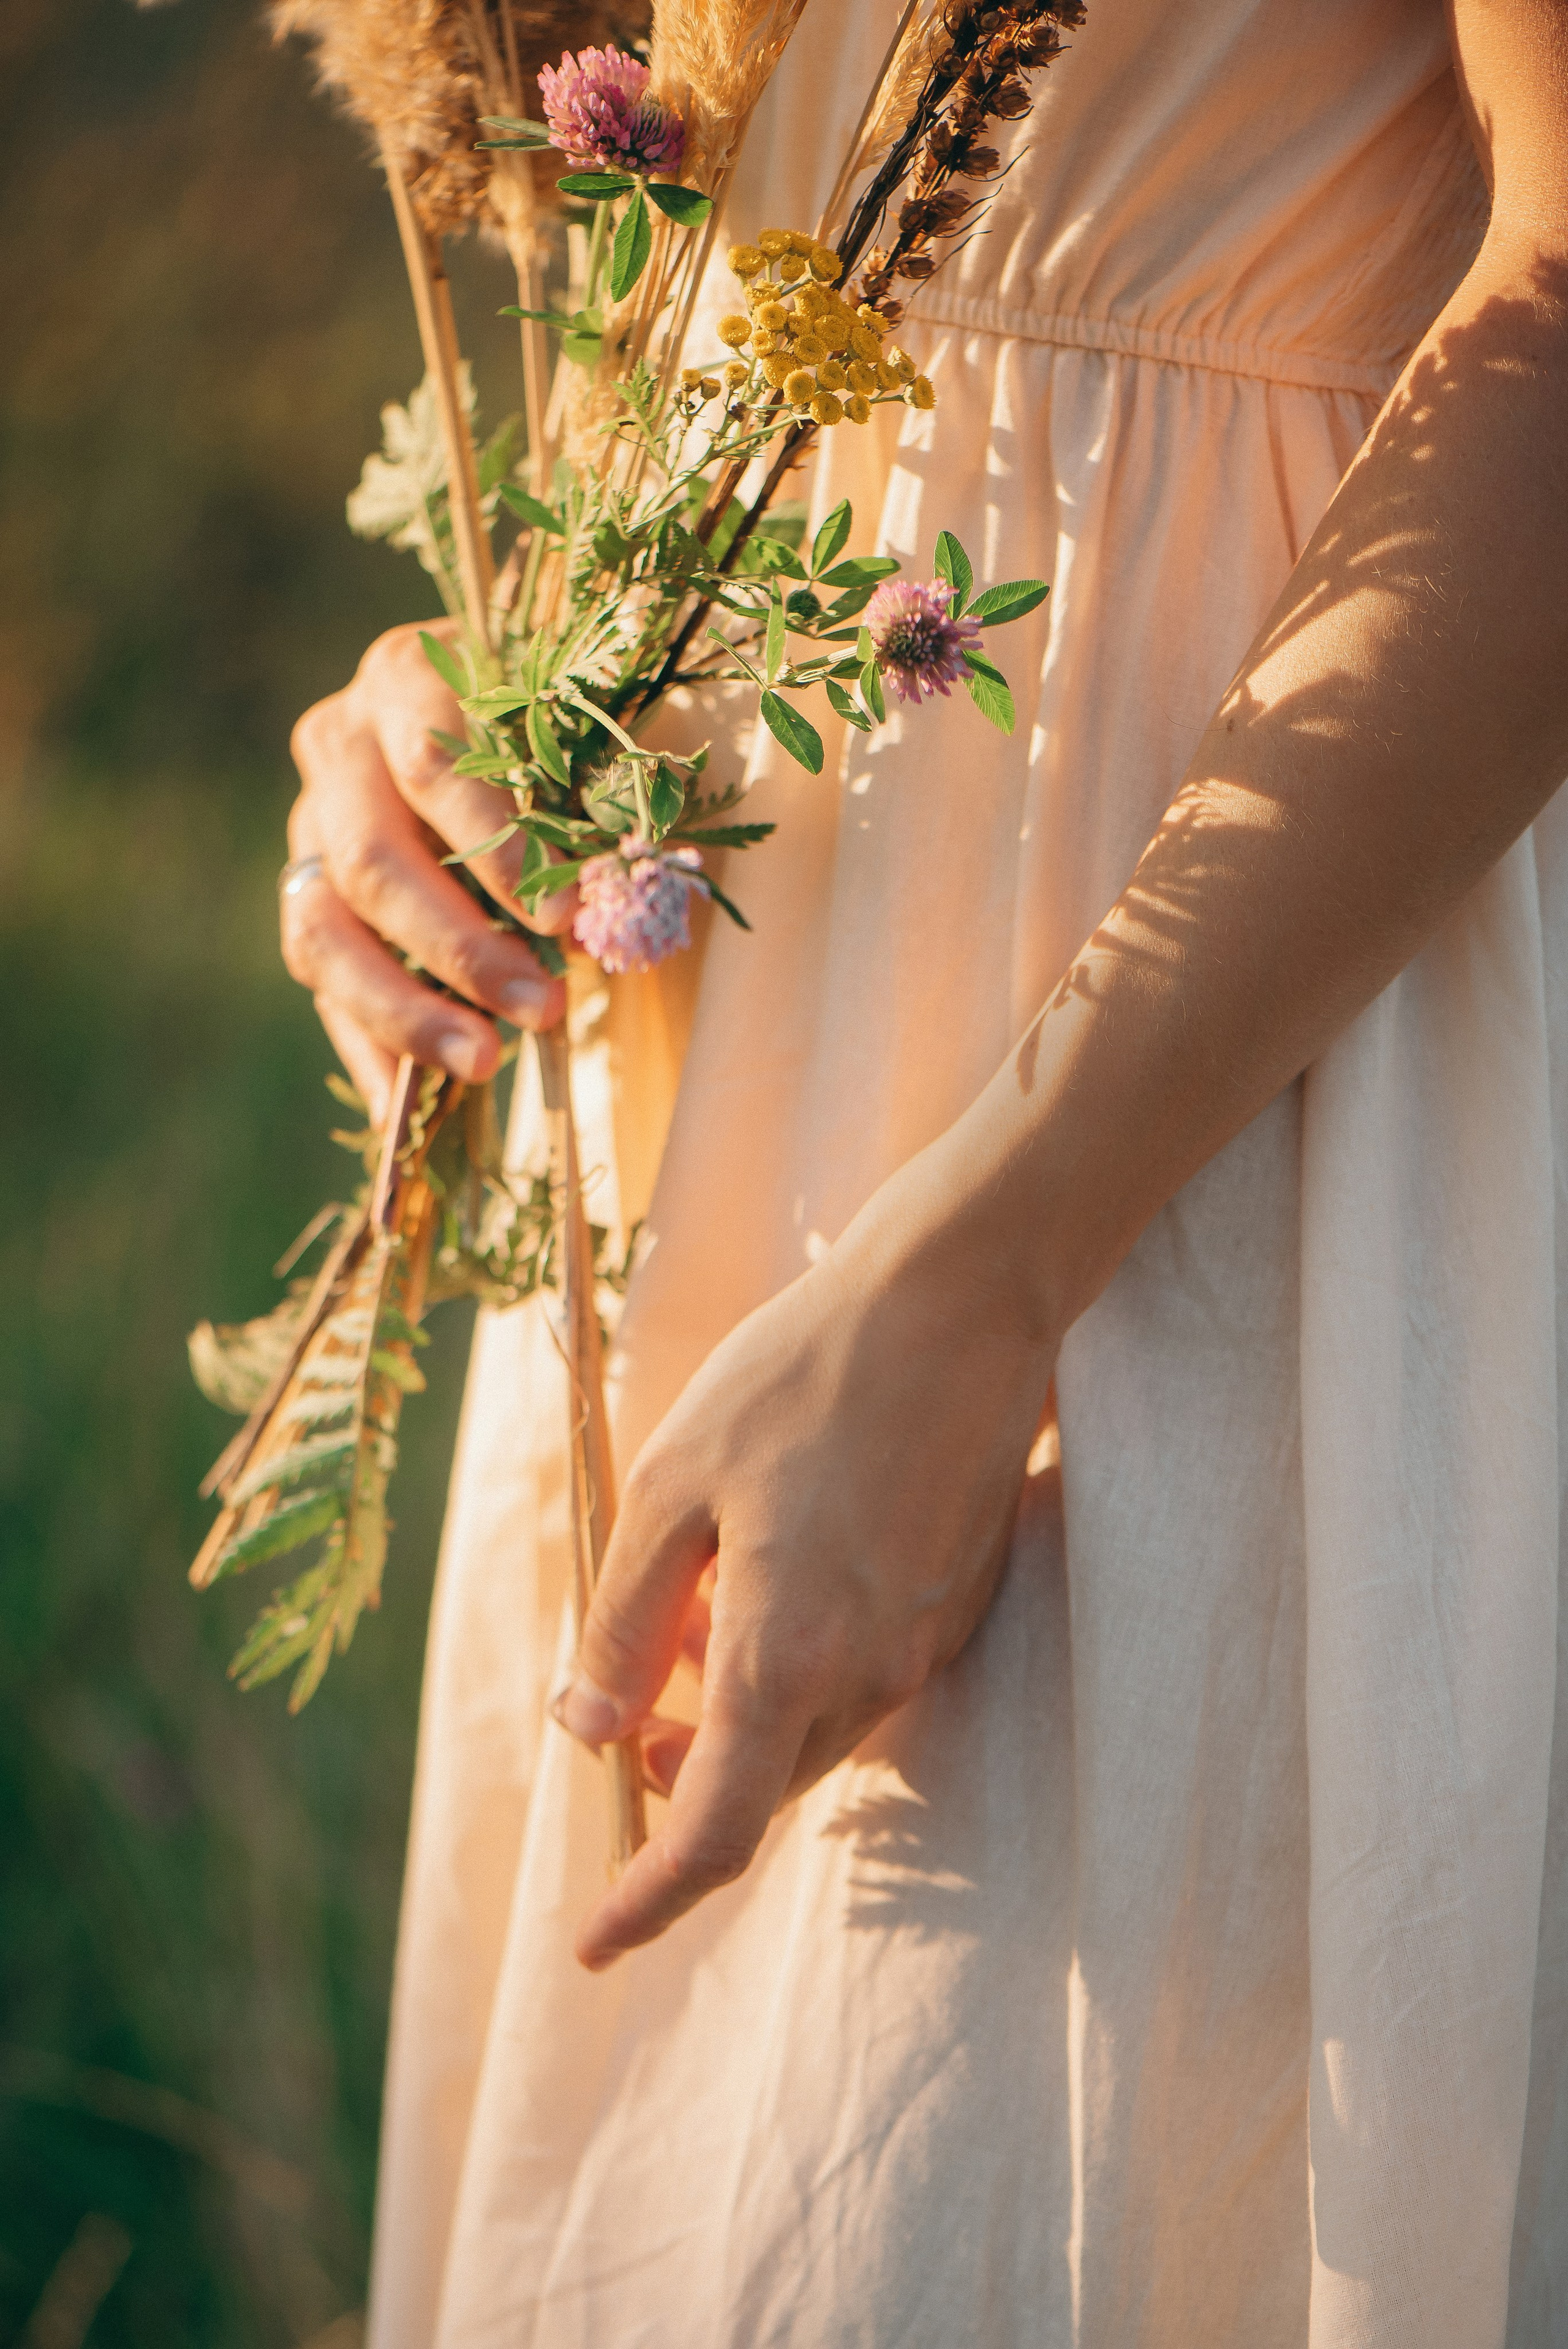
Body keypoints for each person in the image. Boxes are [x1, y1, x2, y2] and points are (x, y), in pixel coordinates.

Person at [280, 0, 1568, 2340]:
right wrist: (470, 694)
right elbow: (713, 208)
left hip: (1187, 1099)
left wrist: (991, 1274)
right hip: (704, 1071)